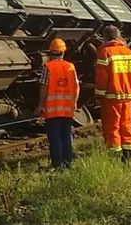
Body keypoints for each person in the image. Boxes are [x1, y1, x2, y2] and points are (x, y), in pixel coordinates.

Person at [95, 25, 131, 162]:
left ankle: (114, 156)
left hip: (112, 97)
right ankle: (129, 154)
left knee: (112, 126)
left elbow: (102, 78)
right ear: (118, 36)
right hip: (128, 97)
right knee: (126, 125)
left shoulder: (105, 53)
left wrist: (99, 95)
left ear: (104, 38)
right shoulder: (130, 53)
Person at [34, 38, 80, 169]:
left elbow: (44, 87)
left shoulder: (48, 67)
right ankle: (68, 163)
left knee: (55, 138)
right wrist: (74, 103)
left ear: (50, 53)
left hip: (53, 110)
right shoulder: (70, 66)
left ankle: (57, 164)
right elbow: (76, 86)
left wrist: (40, 105)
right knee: (66, 136)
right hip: (67, 109)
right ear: (63, 52)